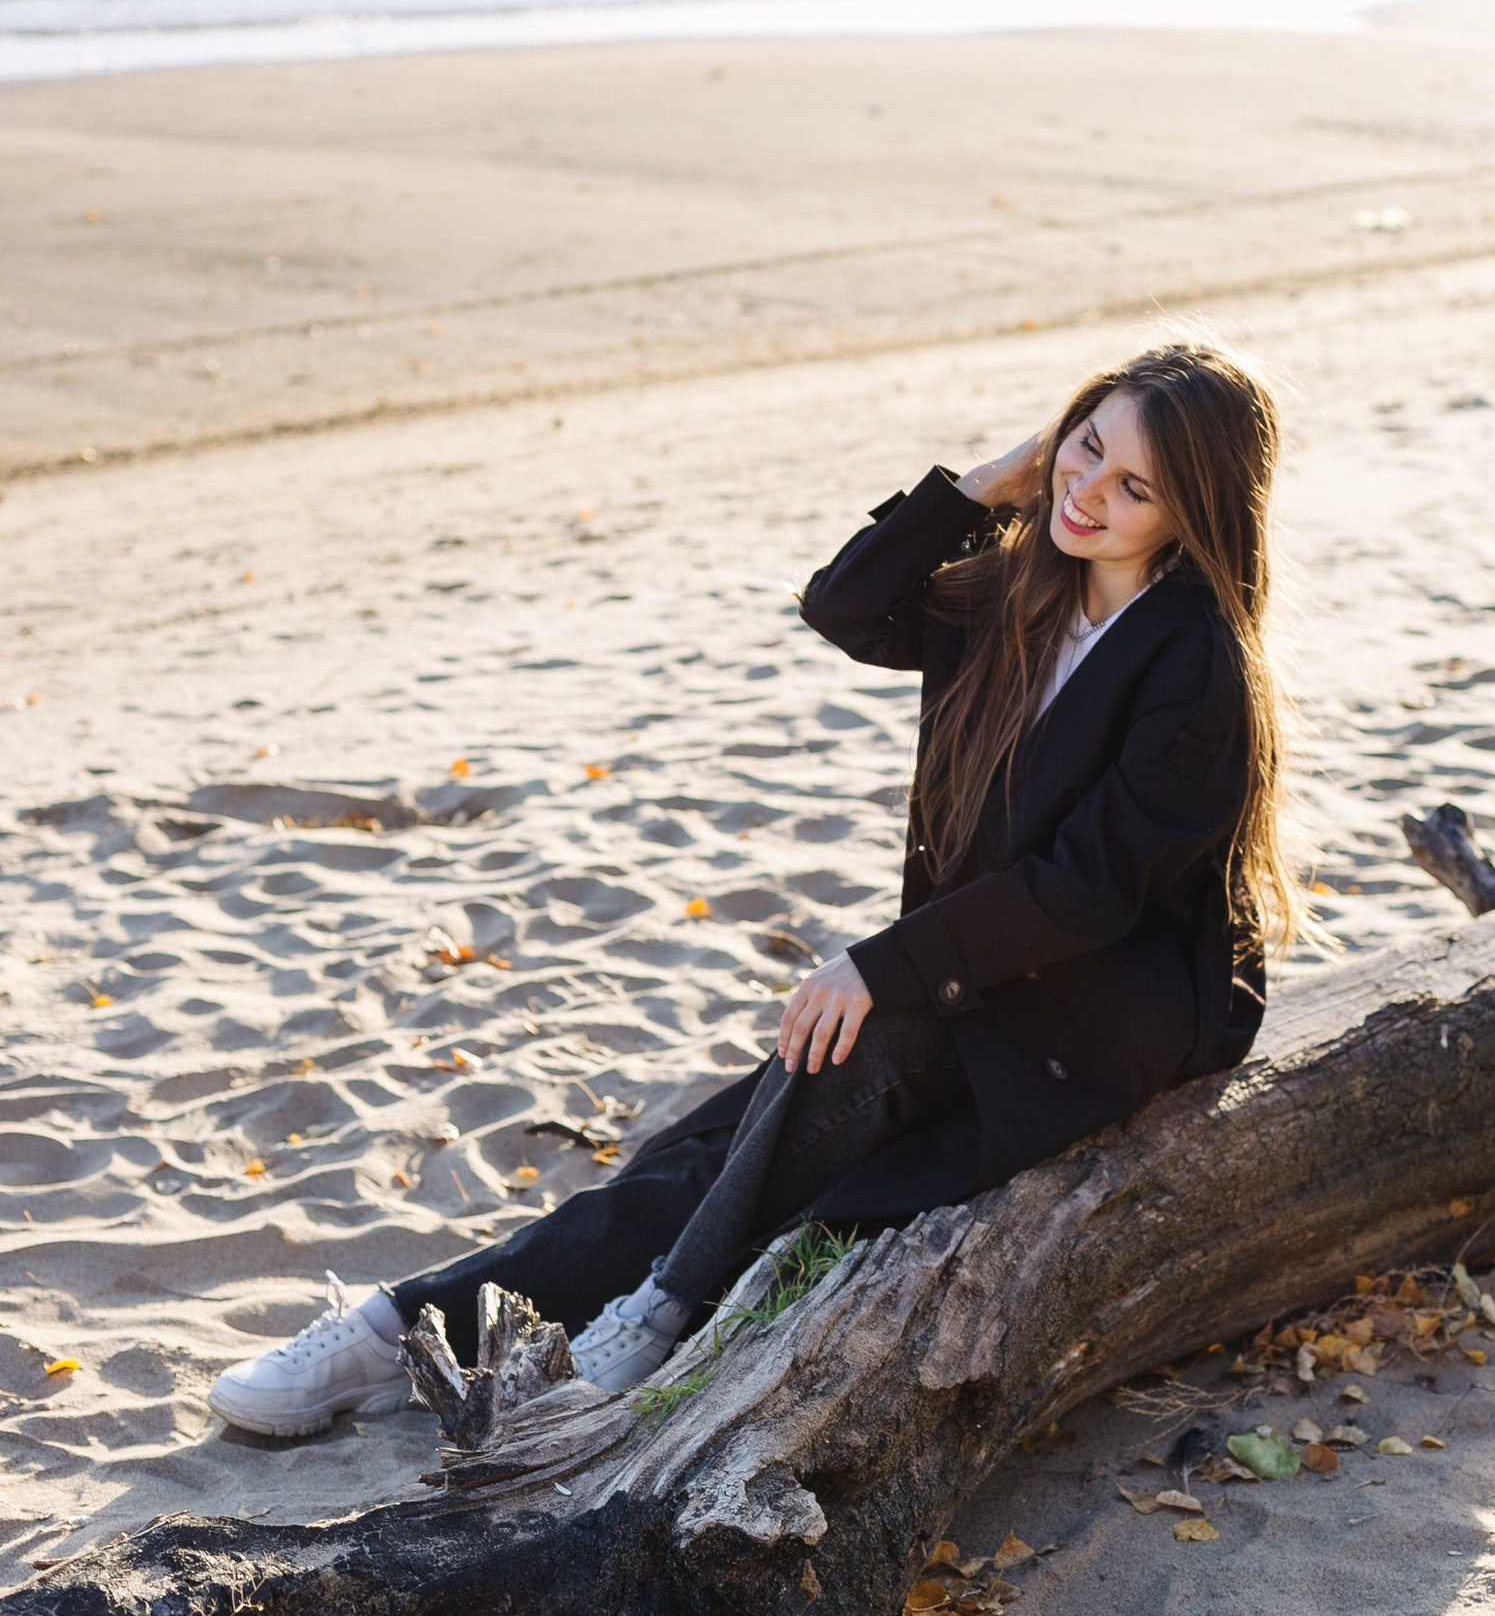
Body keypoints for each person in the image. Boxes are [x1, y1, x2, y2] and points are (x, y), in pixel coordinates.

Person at [209, 340, 1299, 1439]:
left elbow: (1087, 892)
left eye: (1134, 486)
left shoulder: (1193, 660)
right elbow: (849, 607)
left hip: (1096, 1019)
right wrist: (981, 487)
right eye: (1087, 445)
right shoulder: (1022, 589)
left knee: (795, 1106)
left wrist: (881, 965)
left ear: (1192, 510)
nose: (1088, 490)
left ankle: (464, 1323)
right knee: (708, 1143)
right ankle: (425, 1329)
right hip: (986, 980)